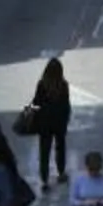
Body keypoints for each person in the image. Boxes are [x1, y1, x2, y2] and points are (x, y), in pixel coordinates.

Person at [28, 58, 71, 188]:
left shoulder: (42, 84)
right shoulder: (63, 84)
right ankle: (61, 172)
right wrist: (66, 119)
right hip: (59, 123)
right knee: (60, 148)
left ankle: (44, 179)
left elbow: (36, 102)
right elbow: (66, 105)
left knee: (44, 151)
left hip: (44, 123)